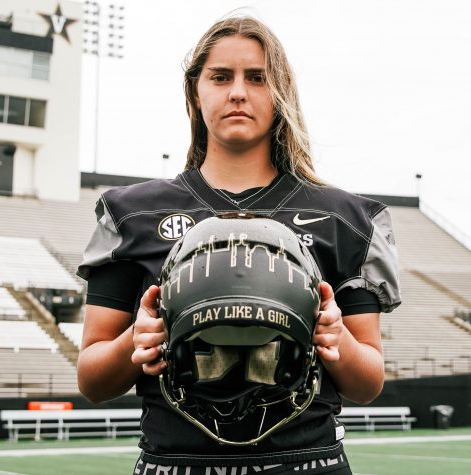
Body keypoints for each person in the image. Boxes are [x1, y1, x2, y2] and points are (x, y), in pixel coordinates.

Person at [77, 15, 401, 475]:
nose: (237, 92)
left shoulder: (342, 219)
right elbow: (92, 379)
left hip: (308, 461)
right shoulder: (132, 214)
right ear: (195, 91)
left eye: (257, 78)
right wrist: (137, 339)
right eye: (220, 77)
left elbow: (367, 382)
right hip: (176, 463)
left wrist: (338, 340)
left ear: (280, 92)